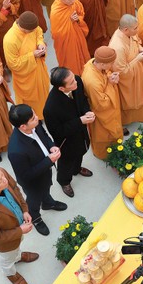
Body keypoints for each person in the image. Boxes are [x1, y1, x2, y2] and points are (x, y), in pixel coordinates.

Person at [6, 104, 65, 236]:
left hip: (45, 171)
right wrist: (49, 161)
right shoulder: (16, 151)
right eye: (33, 118)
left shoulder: (35, 124)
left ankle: (48, 203)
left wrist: (52, 147)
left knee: (47, 187)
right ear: (22, 127)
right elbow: (26, 175)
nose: (37, 118)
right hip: (32, 183)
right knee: (33, 200)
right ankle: (36, 218)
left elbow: (45, 137)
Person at [43, 67, 93, 198]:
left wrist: (87, 111)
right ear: (61, 88)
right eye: (71, 82)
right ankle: (64, 181)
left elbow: (82, 101)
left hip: (81, 132)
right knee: (66, 162)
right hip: (67, 141)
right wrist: (79, 121)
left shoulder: (76, 80)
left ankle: (77, 169)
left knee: (81, 151)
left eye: (73, 78)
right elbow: (57, 132)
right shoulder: (51, 108)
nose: (75, 81)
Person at [3, 12, 50, 119]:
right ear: (23, 28)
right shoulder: (10, 39)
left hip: (38, 70)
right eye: (31, 31)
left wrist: (40, 43)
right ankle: (34, 118)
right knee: (31, 101)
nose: (33, 31)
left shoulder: (32, 27)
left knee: (44, 94)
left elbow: (38, 31)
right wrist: (32, 55)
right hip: (26, 77)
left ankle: (45, 112)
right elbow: (13, 64)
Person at [80, 46, 122, 159]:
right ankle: (103, 155)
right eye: (111, 63)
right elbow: (102, 104)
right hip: (101, 113)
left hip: (109, 108)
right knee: (104, 136)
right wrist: (111, 84)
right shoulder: (92, 81)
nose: (112, 65)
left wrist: (110, 76)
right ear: (102, 64)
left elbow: (106, 73)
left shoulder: (92, 62)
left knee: (113, 130)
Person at [49, 0, 90, 76]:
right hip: (67, 44)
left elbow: (81, 13)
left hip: (78, 37)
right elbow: (56, 34)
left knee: (83, 57)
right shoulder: (56, 11)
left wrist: (78, 19)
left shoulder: (75, 2)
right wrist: (69, 21)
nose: (73, 1)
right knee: (71, 64)